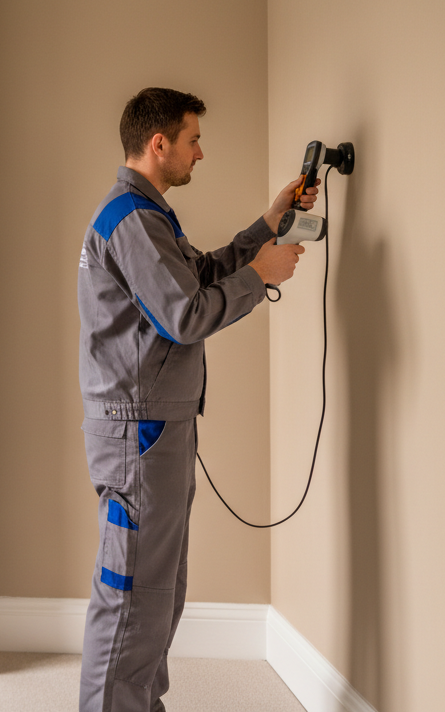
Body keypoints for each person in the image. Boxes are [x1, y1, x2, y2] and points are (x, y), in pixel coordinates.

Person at [76, 87, 315, 712]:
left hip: (157, 426)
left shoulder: (147, 216)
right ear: (159, 145)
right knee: (132, 593)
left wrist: (268, 224)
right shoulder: (130, 220)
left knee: (156, 592)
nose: (199, 153)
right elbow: (185, 314)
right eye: (192, 140)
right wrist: (260, 276)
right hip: (139, 433)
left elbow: (200, 274)